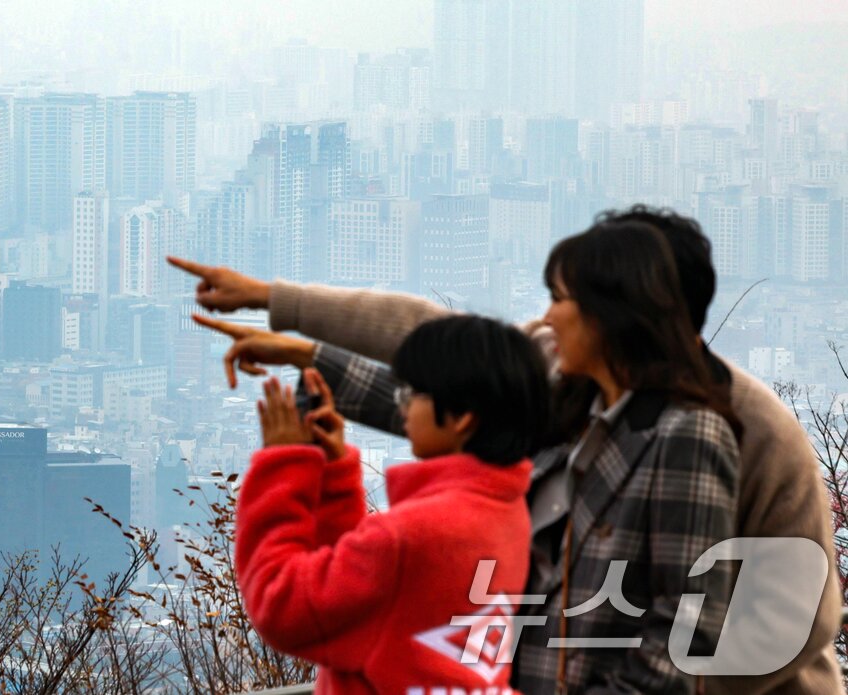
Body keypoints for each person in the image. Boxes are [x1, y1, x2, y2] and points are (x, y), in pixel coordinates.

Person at [169, 206, 843, 695]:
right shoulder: (570, 385)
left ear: (626, 307)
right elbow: (450, 360)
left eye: (561, 297)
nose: (545, 317)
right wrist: (299, 333)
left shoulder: (734, 429)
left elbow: (771, 622)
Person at [237, 315, 549, 695]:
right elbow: (366, 599)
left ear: (463, 417)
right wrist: (335, 480)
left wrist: (283, 464)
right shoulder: (507, 512)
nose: (401, 406)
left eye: (413, 393)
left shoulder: (410, 534)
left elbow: (281, 606)